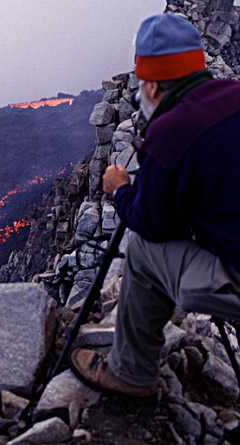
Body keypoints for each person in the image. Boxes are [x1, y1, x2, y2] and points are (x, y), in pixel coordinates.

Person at [69, 13, 240, 399]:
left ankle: (130, 372)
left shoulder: (171, 131)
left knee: (145, 252)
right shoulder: (234, 93)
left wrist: (121, 189)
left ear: (151, 84)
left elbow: (154, 225)